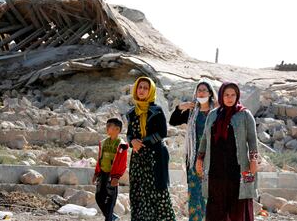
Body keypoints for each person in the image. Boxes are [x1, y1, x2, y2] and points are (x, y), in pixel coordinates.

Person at [196, 82, 258, 221]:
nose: (230, 98)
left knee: (241, 200)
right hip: (215, 170)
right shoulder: (213, 115)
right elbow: (205, 140)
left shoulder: (245, 114)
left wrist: (254, 160)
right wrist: (199, 159)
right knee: (216, 206)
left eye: (233, 95)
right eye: (226, 95)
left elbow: (253, 140)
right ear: (221, 96)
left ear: (237, 96)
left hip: (240, 169)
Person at [126, 77, 176, 221]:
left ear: (151, 91)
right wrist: (131, 142)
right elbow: (129, 134)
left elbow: (162, 133)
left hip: (155, 157)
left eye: (145, 88)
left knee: (158, 192)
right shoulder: (131, 113)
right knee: (138, 193)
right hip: (138, 159)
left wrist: (141, 143)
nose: (142, 90)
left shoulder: (157, 111)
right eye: (140, 87)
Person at [169, 80, 217, 221]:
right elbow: (173, 121)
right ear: (195, 93)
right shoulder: (191, 111)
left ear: (210, 93)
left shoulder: (216, 112)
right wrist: (179, 107)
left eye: (204, 90)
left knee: (210, 194)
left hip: (212, 159)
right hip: (193, 160)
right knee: (195, 195)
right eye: (199, 90)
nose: (201, 93)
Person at [93, 118, 128, 221]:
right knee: (98, 197)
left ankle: (109, 218)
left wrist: (117, 176)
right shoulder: (103, 143)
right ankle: (112, 217)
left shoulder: (121, 145)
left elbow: (122, 163)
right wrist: (96, 173)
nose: (107, 128)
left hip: (112, 176)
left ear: (117, 129)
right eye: (106, 126)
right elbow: (100, 158)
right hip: (102, 174)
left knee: (110, 201)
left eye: (109, 126)